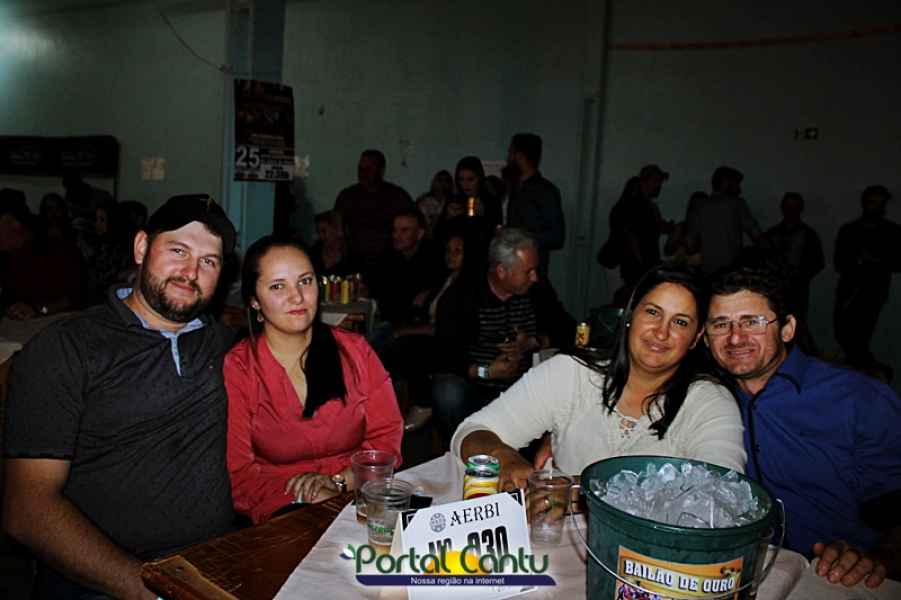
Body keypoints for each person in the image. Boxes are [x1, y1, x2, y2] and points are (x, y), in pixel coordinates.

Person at [3, 194, 238, 599]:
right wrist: (153, 591)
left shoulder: (225, 346)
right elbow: (27, 508)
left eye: (209, 261)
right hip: (106, 582)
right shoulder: (68, 349)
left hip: (216, 567)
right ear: (142, 247)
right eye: (178, 250)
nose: (190, 272)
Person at [454, 263, 745, 497]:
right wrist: (503, 456)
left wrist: (572, 492)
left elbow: (722, 493)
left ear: (696, 337)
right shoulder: (572, 374)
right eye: (652, 312)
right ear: (630, 316)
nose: (661, 332)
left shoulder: (709, 403)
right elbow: (470, 432)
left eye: (680, 322)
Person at [705, 258, 901, 588]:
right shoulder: (709, 401)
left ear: (787, 328)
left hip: (841, 581)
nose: (735, 338)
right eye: (721, 324)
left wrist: (879, 557)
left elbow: (895, 509)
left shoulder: (858, 399)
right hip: (744, 574)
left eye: (752, 322)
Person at [224, 236, 403, 525]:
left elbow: (386, 439)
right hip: (280, 510)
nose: (297, 297)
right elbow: (239, 474)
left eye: (305, 281)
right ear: (254, 301)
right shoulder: (239, 369)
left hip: (359, 495)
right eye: (278, 286)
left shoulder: (354, 351)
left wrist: (340, 482)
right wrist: (308, 496)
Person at [432, 228, 549, 442]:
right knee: (447, 391)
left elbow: (565, 328)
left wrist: (531, 342)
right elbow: (445, 355)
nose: (535, 277)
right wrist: (486, 372)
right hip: (475, 385)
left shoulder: (536, 290)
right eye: (528, 271)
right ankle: (464, 448)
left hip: (524, 385)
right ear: (502, 271)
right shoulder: (462, 296)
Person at [833, 185, 901, 375]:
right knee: (843, 333)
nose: (876, 207)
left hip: (873, 290)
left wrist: (877, 261)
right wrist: (857, 261)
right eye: (873, 202)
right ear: (865, 203)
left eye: (880, 203)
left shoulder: (892, 231)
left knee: (860, 335)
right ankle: (861, 369)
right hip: (849, 289)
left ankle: (863, 371)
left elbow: (898, 261)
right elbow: (839, 261)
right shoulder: (850, 230)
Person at [367, 208, 446, 329]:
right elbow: (374, 285)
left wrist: (430, 292)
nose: (396, 236)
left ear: (420, 234)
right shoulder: (388, 255)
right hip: (389, 321)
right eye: (394, 230)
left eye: (404, 230)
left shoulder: (434, 256)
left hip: (421, 326)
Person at [334, 149, 413, 270]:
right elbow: (336, 225)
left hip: (389, 261)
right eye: (360, 168)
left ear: (380, 170)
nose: (362, 173)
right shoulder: (347, 196)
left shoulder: (397, 196)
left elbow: (412, 225)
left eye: (368, 168)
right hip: (355, 260)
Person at [606, 165, 674, 305]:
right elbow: (630, 237)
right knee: (624, 303)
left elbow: (654, 228)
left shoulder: (647, 205)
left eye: (660, 182)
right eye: (656, 181)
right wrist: (641, 264)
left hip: (633, 265)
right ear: (644, 182)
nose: (659, 186)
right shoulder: (633, 205)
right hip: (626, 264)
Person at [684, 166, 762, 275]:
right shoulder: (737, 204)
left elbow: (690, 244)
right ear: (725, 183)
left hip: (707, 274)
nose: (739, 188)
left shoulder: (699, 206)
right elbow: (756, 235)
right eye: (736, 184)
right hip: (732, 274)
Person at [505, 133, 565, 275]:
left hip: (532, 273)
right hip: (512, 269)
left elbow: (557, 237)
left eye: (510, 153)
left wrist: (520, 238)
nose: (508, 158)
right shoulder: (515, 187)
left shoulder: (545, 191)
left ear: (520, 156)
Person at [309, 209, 359, 278]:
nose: (321, 236)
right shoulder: (314, 252)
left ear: (335, 229)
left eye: (323, 231)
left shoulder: (350, 254)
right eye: (318, 232)